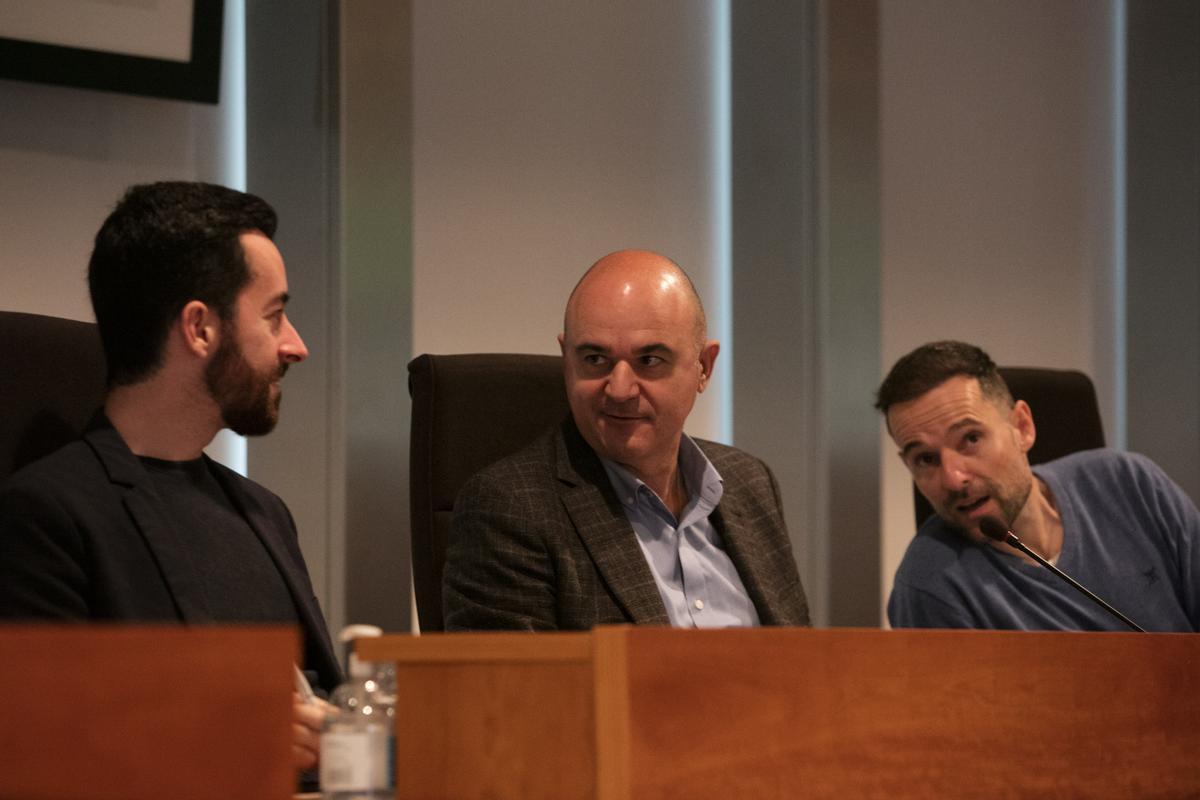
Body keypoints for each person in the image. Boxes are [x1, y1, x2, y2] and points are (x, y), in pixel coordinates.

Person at [0, 181, 340, 770]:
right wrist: (230, 739)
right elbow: (35, 749)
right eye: (275, 315)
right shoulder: (47, 515)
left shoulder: (265, 513)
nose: (296, 345)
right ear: (200, 328)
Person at [443, 249, 810, 630]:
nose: (619, 389)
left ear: (704, 367)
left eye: (649, 360)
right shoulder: (509, 510)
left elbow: (807, 662)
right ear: (566, 358)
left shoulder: (749, 482)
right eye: (594, 359)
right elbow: (516, 689)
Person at [878, 340, 1200, 632]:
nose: (953, 478)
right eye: (925, 459)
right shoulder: (929, 586)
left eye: (971, 439)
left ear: (1022, 427)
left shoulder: (1130, 485)